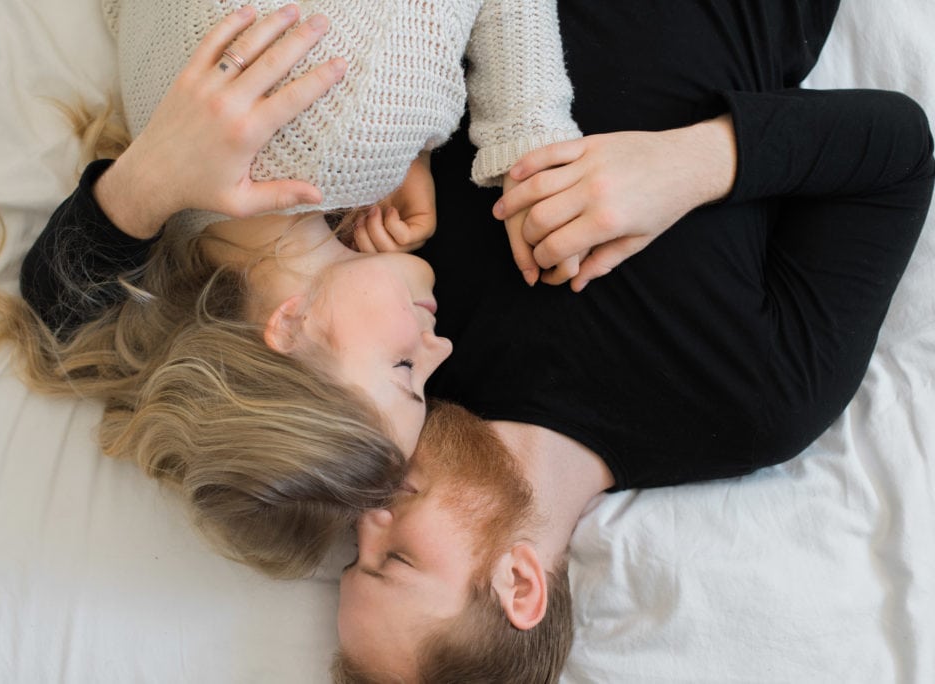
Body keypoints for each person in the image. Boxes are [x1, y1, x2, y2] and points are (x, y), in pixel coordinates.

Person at [332, 0, 935, 680]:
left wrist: (391, 163)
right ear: (520, 582)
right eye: (396, 560)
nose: (366, 521)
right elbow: (898, 154)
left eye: (355, 558)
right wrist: (688, 164)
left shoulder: (409, 350)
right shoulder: (754, 405)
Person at [0, 0, 580, 578]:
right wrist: (410, 150)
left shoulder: (366, 124)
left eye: (403, 369)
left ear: (287, 325)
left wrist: (533, 146)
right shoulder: (170, 232)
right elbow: (56, 304)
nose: (439, 351)